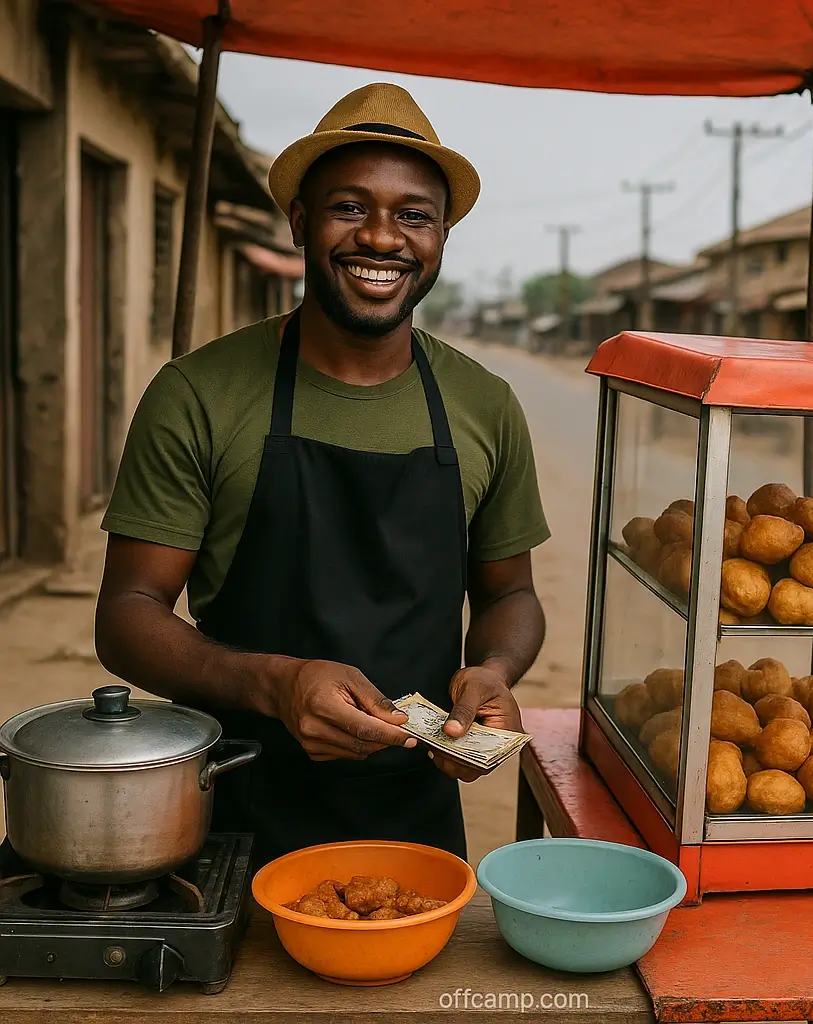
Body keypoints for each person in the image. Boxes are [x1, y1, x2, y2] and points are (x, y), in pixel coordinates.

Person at [94, 83, 550, 868]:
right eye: (349, 207)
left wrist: (495, 672)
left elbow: (510, 593)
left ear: (441, 237)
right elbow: (126, 614)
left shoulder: (485, 404)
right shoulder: (200, 392)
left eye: (414, 215)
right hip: (229, 812)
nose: (382, 237)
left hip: (416, 825)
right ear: (301, 222)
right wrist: (275, 683)